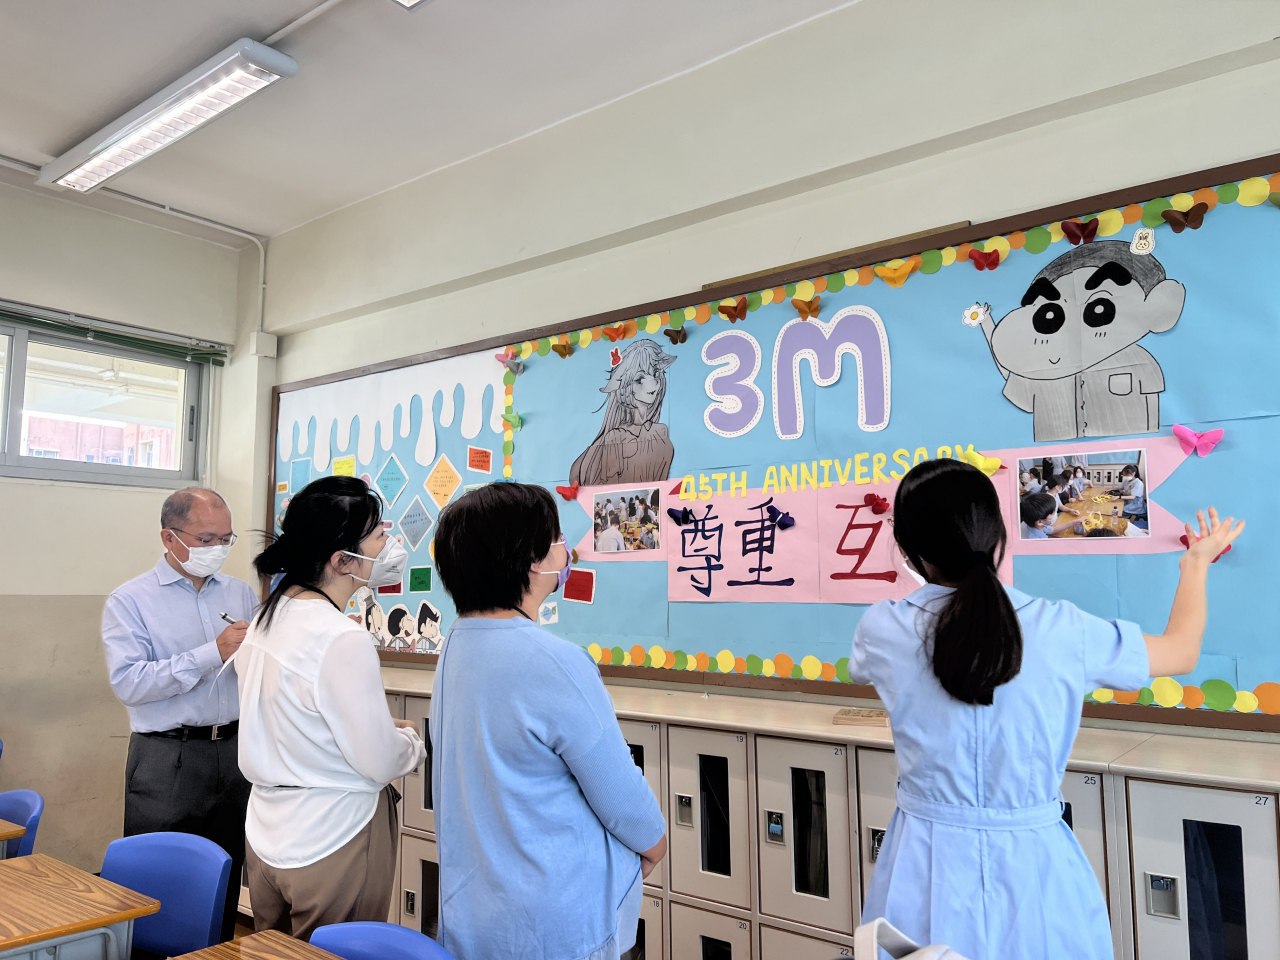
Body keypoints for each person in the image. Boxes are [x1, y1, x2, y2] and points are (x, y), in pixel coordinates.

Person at [852, 459, 1243, 960]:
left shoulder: (882, 628)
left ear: (907, 550)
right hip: (1033, 863)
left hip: (921, 862)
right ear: (998, 536)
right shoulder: (1063, 629)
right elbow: (1182, 652)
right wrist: (1195, 564)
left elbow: (880, 664)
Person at [431, 482, 667, 960]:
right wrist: (655, 844)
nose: (565, 549)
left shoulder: (456, 644)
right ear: (530, 561)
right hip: (555, 924)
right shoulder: (556, 661)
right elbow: (621, 797)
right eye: (556, 539)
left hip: (477, 912)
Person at [236, 476, 426, 940]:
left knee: (275, 951)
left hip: (267, 833)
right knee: (339, 951)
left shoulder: (268, 617)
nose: (389, 546)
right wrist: (408, 741)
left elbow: (296, 718)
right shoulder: (341, 636)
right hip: (334, 836)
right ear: (342, 561)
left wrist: (372, 726)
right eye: (378, 535)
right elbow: (380, 762)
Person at [102, 487, 257, 944]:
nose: (217, 550)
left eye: (226, 540)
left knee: (224, 875)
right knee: (156, 882)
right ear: (169, 538)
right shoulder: (130, 601)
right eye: (206, 539)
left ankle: (218, 950)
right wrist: (211, 653)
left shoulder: (241, 593)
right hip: (167, 755)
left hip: (234, 751)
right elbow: (130, 683)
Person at [568, 338, 678, 486]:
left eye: (655, 373)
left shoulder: (660, 432)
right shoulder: (614, 438)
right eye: (640, 378)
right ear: (625, 388)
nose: (652, 382)